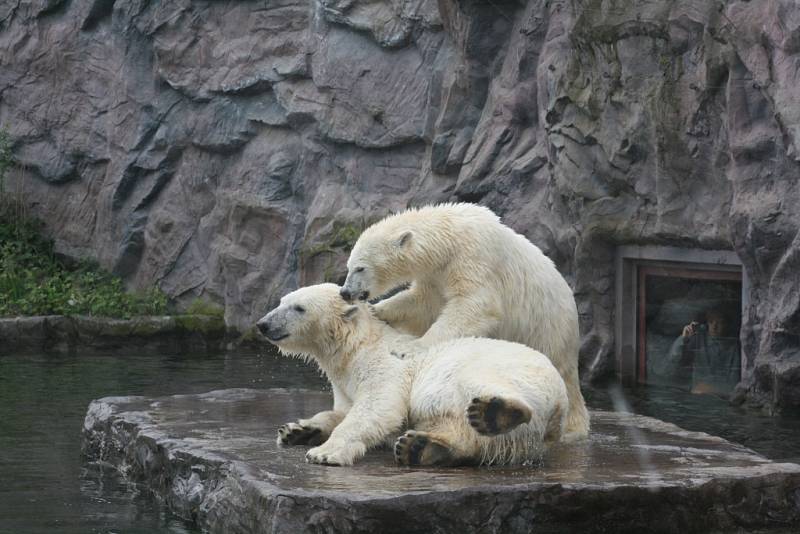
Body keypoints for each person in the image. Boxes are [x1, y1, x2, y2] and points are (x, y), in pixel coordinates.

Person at [660, 309, 741, 396]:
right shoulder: (698, 338)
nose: (714, 326)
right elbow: (668, 366)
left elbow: (733, 383)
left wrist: (710, 389)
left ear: (727, 325)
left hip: (720, 399)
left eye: (720, 322)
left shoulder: (733, 346)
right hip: (696, 398)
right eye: (711, 322)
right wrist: (683, 339)